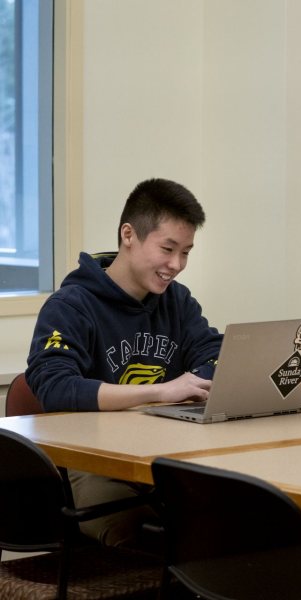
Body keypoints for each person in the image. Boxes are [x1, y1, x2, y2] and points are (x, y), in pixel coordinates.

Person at [25, 177, 223, 550]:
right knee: (150, 539)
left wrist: (199, 379)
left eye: (186, 252)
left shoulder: (177, 302)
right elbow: (54, 387)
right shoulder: (71, 305)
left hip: (165, 456)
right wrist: (162, 392)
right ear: (128, 235)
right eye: (167, 248)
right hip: (96, 463)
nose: (176, 265)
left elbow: (214, 354)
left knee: (235, 520)